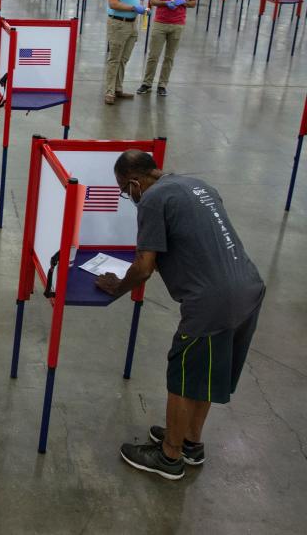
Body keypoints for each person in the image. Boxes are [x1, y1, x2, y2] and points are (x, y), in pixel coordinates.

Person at [96, 150, 265, 481]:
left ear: (134, 182)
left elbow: (144, 268)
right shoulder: (195, 184)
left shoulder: (151, 200)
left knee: (184, 377)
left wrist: (117, 287)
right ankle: (190, 443)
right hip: (248, 289)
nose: (125, 196)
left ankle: (169, 456)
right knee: (205, 375)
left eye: (122, 189)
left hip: (212, 302)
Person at [137, 0, 197, 97]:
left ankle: (162, 84)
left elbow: (193, 2)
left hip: (178, 24)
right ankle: (147, 83)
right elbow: (152, 0)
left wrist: (184, 2)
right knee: (154, 55)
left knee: (169, 57)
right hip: (161, 23)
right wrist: (165, 3)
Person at [104, 0, 146, 105]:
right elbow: (113, 3)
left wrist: (139, 9)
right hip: (118, 24)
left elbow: (131, 0)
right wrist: (133, 8)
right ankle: (109, 91)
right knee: (115, 58)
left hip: (132, 24)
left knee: (124, 59)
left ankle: (117, 88)